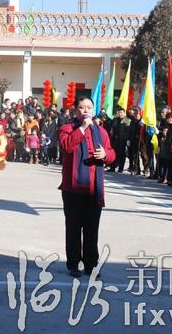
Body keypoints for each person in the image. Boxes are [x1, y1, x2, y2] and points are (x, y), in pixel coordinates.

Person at [58, 96, 116, 278]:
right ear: (75, 110)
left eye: (89, 108)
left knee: (91, 230)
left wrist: (105, 154)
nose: (86, 111)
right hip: (72, 188)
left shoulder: (101, 132)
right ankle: (73, 264)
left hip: (93, 188)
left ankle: (91, 265)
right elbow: (66, 146)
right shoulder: (67, 129)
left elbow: (112, 154)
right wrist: (82, 129)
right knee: (73, 229)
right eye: (82, 107)